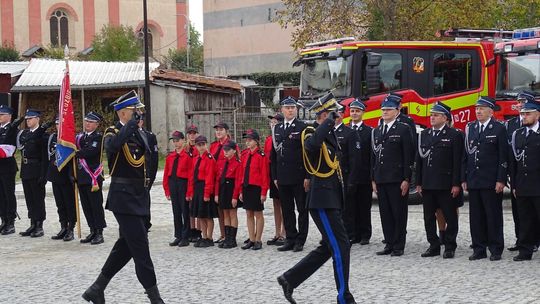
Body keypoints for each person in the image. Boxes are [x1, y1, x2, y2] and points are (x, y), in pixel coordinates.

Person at [82, 90, 165, 304]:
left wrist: (146, 188)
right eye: (134, 110)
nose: (138, 114)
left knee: (126, 245)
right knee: (141, 249)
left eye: (139, 110)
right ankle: (155, 299)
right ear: (123, 113)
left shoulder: (142, 134)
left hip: (140, 196)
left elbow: (150, 162)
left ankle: (97, 288)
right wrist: (129, 127)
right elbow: (113, 147)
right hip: (123, 198)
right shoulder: (112, 132)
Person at [278, 93, 356, 304]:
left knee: (329, 247)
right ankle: (344, 297)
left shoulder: (328, 135)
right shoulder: (309, 131)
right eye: (334, 114)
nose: (338, 117)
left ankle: (289, 279)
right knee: (341, 246)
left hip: (332, 199)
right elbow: (312, 146)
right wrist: (328, 122)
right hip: (321, 199)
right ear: (324, 114)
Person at [463, 96, 508, 261]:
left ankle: (496, 248)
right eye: (476, 108)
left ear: (490, 111)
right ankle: (479, 248)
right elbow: (465, 155)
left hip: (491, 180)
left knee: (493, 215)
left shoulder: (498, 129)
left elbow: (503, 156)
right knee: (476, 217)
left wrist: (501, 179)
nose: (478, 111)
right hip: (474, 179)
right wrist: (464, 178)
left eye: (482, 108)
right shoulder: (471, 128)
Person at [416, 102, 463, 259]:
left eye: (436, 115)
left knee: (450, 216)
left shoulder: (454, 135)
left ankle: (449, 246)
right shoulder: (425, 134)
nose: (432, 118)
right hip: (428, 183)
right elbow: (420, 160)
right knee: (428, 217)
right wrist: (418, 182)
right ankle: (433, 245)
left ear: (445, 118)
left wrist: (456, 183)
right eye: (431, 115)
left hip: (445, 183)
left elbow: (457, 161)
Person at [371, 94, 414, 256]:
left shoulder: (403, 129)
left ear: (397, 111)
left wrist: (406, 179)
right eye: (383, 110)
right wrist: (373, 178)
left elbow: (408, 156)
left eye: (388, 110)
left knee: (398, 213)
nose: (385, 112)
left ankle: (398, 245)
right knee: (385, 213)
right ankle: (389, 243)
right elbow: (373, 156)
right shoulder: (377, 130)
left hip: (397, 178)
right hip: (381, 177)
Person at [271, 96, 309, 252]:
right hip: (283, 176)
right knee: (287, 209)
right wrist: (274, 176)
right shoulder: (277, 129)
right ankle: (290, 238)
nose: (290, 110)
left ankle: (301, 240)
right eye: (287, 108)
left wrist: (308, 176)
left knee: (302, 209)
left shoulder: (303, 127)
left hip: (299, 176)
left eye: (293, 107)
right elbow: (273, 156)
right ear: (282, 110)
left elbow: (308, 154)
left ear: (296, 109)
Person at [509, 97, 540, 261]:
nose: (524, 117)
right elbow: (513, 162)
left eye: (527, 113)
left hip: (538, 183)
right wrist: (513, 184)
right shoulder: (517, 134)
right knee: (525, 219)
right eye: (522, 114)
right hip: (522, 184)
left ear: (537, 115)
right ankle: (525, 250)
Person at [17, 109, 52, 238]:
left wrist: (44, 175)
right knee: (29, 199)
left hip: (37, 170)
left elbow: (44, 157)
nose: (28, 121)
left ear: (37, 119)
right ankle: (32, 223)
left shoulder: (43, 135)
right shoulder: (25, 134)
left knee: (38, 199)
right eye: (26, 119)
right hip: (26, 169)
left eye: (30, 118)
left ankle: (39, 225)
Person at [505, 91, 530, 252]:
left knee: (532, 211)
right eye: (519, 102)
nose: (519, 104)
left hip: (533, 174)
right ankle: (520, 240)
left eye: (523, 102)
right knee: (517, 210)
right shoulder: (511, 124)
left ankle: (533, 241)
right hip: (516, 172)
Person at [345, 99, 373, 245]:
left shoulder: (369, 132)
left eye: (357, 111)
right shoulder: (345, 129)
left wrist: (371, 175)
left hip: (363, 175)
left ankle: (365, 234)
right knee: (350, 207)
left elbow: (371, 155)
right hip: (349, 175)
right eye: (352, 111)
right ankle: (352, 234)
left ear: (363, 113)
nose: (354, 113)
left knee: (364, 206)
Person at [76, 111, 106, 245]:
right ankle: (92, 230)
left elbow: (90, 152)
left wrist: (76, 152)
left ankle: (99, 232)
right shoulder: (80, 137)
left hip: (93, 177)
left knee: (95, 205)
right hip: (82, 176)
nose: (87, 124)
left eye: (91, 122)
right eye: (86, 121)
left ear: (97, 124)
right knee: (86, 205)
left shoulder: (98, 138)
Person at [46, 117, 76, 241]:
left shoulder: (70, 137)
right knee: (60, 204)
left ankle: (71, 228)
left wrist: (72, 174)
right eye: (57, 123)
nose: (58, 126)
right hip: (55, 175)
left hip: (66, 176)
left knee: (69, 203)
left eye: (61, 123)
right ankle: (63, 226)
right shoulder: (53, 137)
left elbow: (73, 158)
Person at [239, 129, 269, 250]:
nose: (247, 142)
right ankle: (251, 239)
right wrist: (241, 190)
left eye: (250, 139)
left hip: (256, 188)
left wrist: (263, 192)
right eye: (246, 139)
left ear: (256, 141)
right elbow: (242, 173)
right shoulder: (245, 154)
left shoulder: (261, 156)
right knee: (248, 214)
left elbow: (264, 175)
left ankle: (258, 240)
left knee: (258, 214)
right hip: (246, 187)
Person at [163, 131, 192, 247]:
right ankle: (178, 235)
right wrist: (167, 190)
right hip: (173, 183)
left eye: (177, 140)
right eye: (174, 141)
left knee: (185, 210)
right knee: (176, 211)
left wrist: (189, 191)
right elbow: (166, 175)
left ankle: (186, 236)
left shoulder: (187, 156)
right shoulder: (170, 156)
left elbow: (190, 175)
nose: (175, 143)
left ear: (183, 140)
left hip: (183, 183)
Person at [187, 135, 217, 248]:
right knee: (201, 215)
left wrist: (207, 193)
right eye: (199, 145)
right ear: (195, 146)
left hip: (205, 187)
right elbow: (192, 177)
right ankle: (203, 236)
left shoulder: (209, 158)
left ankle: (209, 237)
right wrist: (190, 192)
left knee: (208, 216)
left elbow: (209, 177)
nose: (201, 147)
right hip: (197, 188)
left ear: (206, 145)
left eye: (203, 144)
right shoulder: (195, 159)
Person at [214, 140, 242, 249]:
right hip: (223, 189)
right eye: (224, 149)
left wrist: (235, 197)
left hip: (231, 189)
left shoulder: (237, 164)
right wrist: (216, 194)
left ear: (234, 151)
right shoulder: (221, 163)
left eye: (228, 150)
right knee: (225, 213)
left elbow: (238, 182)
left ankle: (232, 239)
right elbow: (217, 179)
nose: (225, 152)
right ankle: (227, 237)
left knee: (232, 214)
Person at [0, 105, 23, 235]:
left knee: (9, 194)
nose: (0, 117)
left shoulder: (13, 129)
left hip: (7, 166)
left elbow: (9, 148)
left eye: (2, 114)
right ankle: (3, 219)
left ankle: (10, 221)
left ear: (9, 116)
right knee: (1, 195)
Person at [210, 122, 234, 245]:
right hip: (216, 179)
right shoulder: (214, 146)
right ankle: (223, 233)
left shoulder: (230, 145)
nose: (218, 132)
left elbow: (236, 161)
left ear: (226, 131)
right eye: (217, 130)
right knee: (219, 208)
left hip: (228, 180)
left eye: (221, 130)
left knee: (228, 209)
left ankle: (230, 236)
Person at [265, 113, 285, 246]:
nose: (272, 123)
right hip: (272, 173)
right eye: (271, 122)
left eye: (275, 122)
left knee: (285, 204)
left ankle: (284, 232)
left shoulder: (282, 137)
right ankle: (277, 232)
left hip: (282, 173)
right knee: (276, 204)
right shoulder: (268, 139)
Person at [185, 124, 201, 242]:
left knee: (198, 205)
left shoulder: (199, 147)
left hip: (196, 178)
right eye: (190, 133)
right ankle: (191, 229)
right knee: (189, 207)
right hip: (186, 178)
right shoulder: (185, 148)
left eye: (194, 133)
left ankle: (199, 231)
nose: (192, 135)